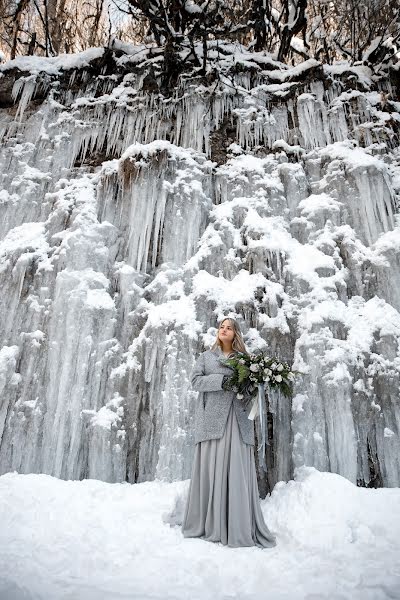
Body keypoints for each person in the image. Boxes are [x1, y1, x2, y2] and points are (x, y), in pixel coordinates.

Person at [181, 317, 277, 549]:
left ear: (236, 334)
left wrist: (253, 385)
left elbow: (253, 388)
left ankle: (236, 523)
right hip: (212, 421)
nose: (223, 330)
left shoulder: (246, 360)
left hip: (237, 419)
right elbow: (195, 382)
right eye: (221, 327)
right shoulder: (206, 357)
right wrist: (222, 381)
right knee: (213, 468)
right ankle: (210, 522)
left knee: (235, 467)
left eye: (229, 327)